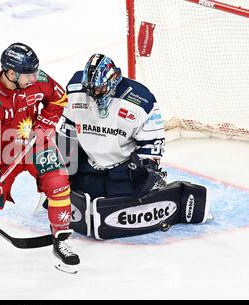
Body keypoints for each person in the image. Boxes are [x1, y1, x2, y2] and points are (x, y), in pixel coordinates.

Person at [0, 43, 80, 273]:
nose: (35, 77)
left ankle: (61, 238)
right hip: (2, 152)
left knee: (58, 181)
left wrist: (45, 125)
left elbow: (59, 99)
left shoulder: (36, 77)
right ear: (11, 73)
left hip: (34, 142)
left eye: (34, 72)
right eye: (28, 74)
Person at [58, 54, 208, 239]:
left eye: (99, 89)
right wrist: (62, 169)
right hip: (90, 165)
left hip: (123, 169)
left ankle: (154, 188)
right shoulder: (75, 90)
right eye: (90, 89)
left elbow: (151, 144)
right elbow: (67, 131)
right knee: (75, 194)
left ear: (113, 80)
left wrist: (145, 173)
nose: (93, 94)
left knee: (126, 201)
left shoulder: (140, 100)